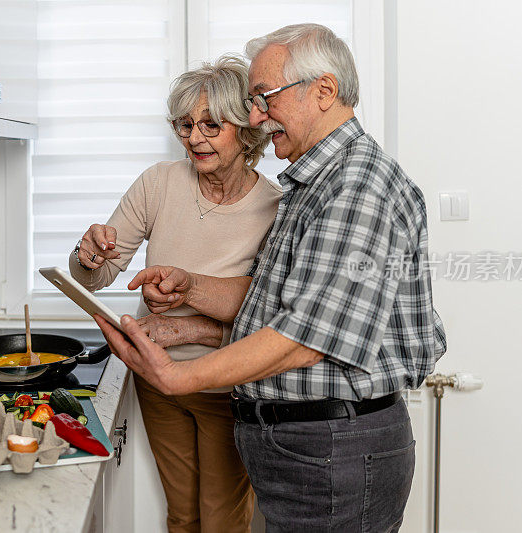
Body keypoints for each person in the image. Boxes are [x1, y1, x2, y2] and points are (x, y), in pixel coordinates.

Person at [93, 24, 447, 533]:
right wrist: (190, 288)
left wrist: (180, 376)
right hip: (313, 447)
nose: (256, 115)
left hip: (334, 449)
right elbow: (271, 298)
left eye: (264, 98)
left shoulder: (356, 187)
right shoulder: (314, 182)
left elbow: (308, 336)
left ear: (323, 91)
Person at [69, 55, 281, 533]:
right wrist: (88, 256)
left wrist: (192, 329)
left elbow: (273, 319)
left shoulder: (274, 208)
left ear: (247, 130)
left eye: (211, 124)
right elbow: (96, 276)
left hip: (227, 388)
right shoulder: (159, 183)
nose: (194, 137)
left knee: (223, 521)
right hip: (156, 381)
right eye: (185, 125)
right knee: (182, 515)